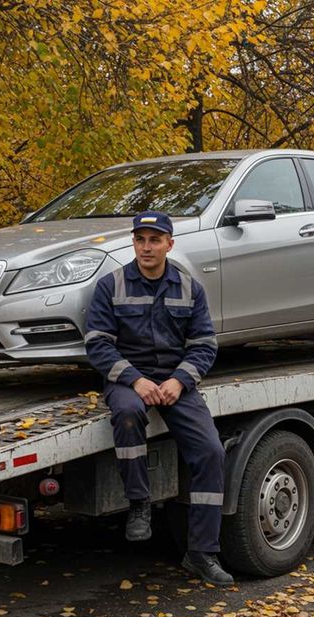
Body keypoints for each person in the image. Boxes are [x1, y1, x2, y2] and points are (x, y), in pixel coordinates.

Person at [84, 210, 233, 586]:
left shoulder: (189, 287)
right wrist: (133, 380)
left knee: (211, 452)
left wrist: (180, 381)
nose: (146, 247)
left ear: (170, 243)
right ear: (133, 242)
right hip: (127, 380)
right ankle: (139, 504)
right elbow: (97, 345)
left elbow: (203, 346)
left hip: (174, 382)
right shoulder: (110, 285)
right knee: (130, 415)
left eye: (155, 240)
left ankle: (201, 553)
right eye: (140, 239)